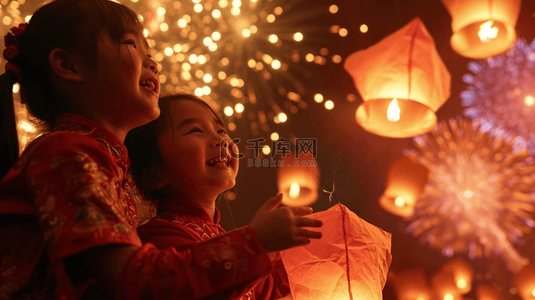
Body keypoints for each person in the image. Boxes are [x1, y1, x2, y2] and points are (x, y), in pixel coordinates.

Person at [0, 1, 321, 299]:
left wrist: (271, 250)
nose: (152, 61)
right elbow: (134, 283)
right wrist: (255, 244)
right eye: (131, 44)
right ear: (68, 65)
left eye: (149, 49)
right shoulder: (69, 154)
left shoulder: (98, 159)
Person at [126, 92, 323, 300]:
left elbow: (267, 290)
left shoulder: (219, 235)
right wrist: (256, 242)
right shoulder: (158, 237)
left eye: (221, 130)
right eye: (196, 130)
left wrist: (306, 253)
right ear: (156, 174)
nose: (221, 139)